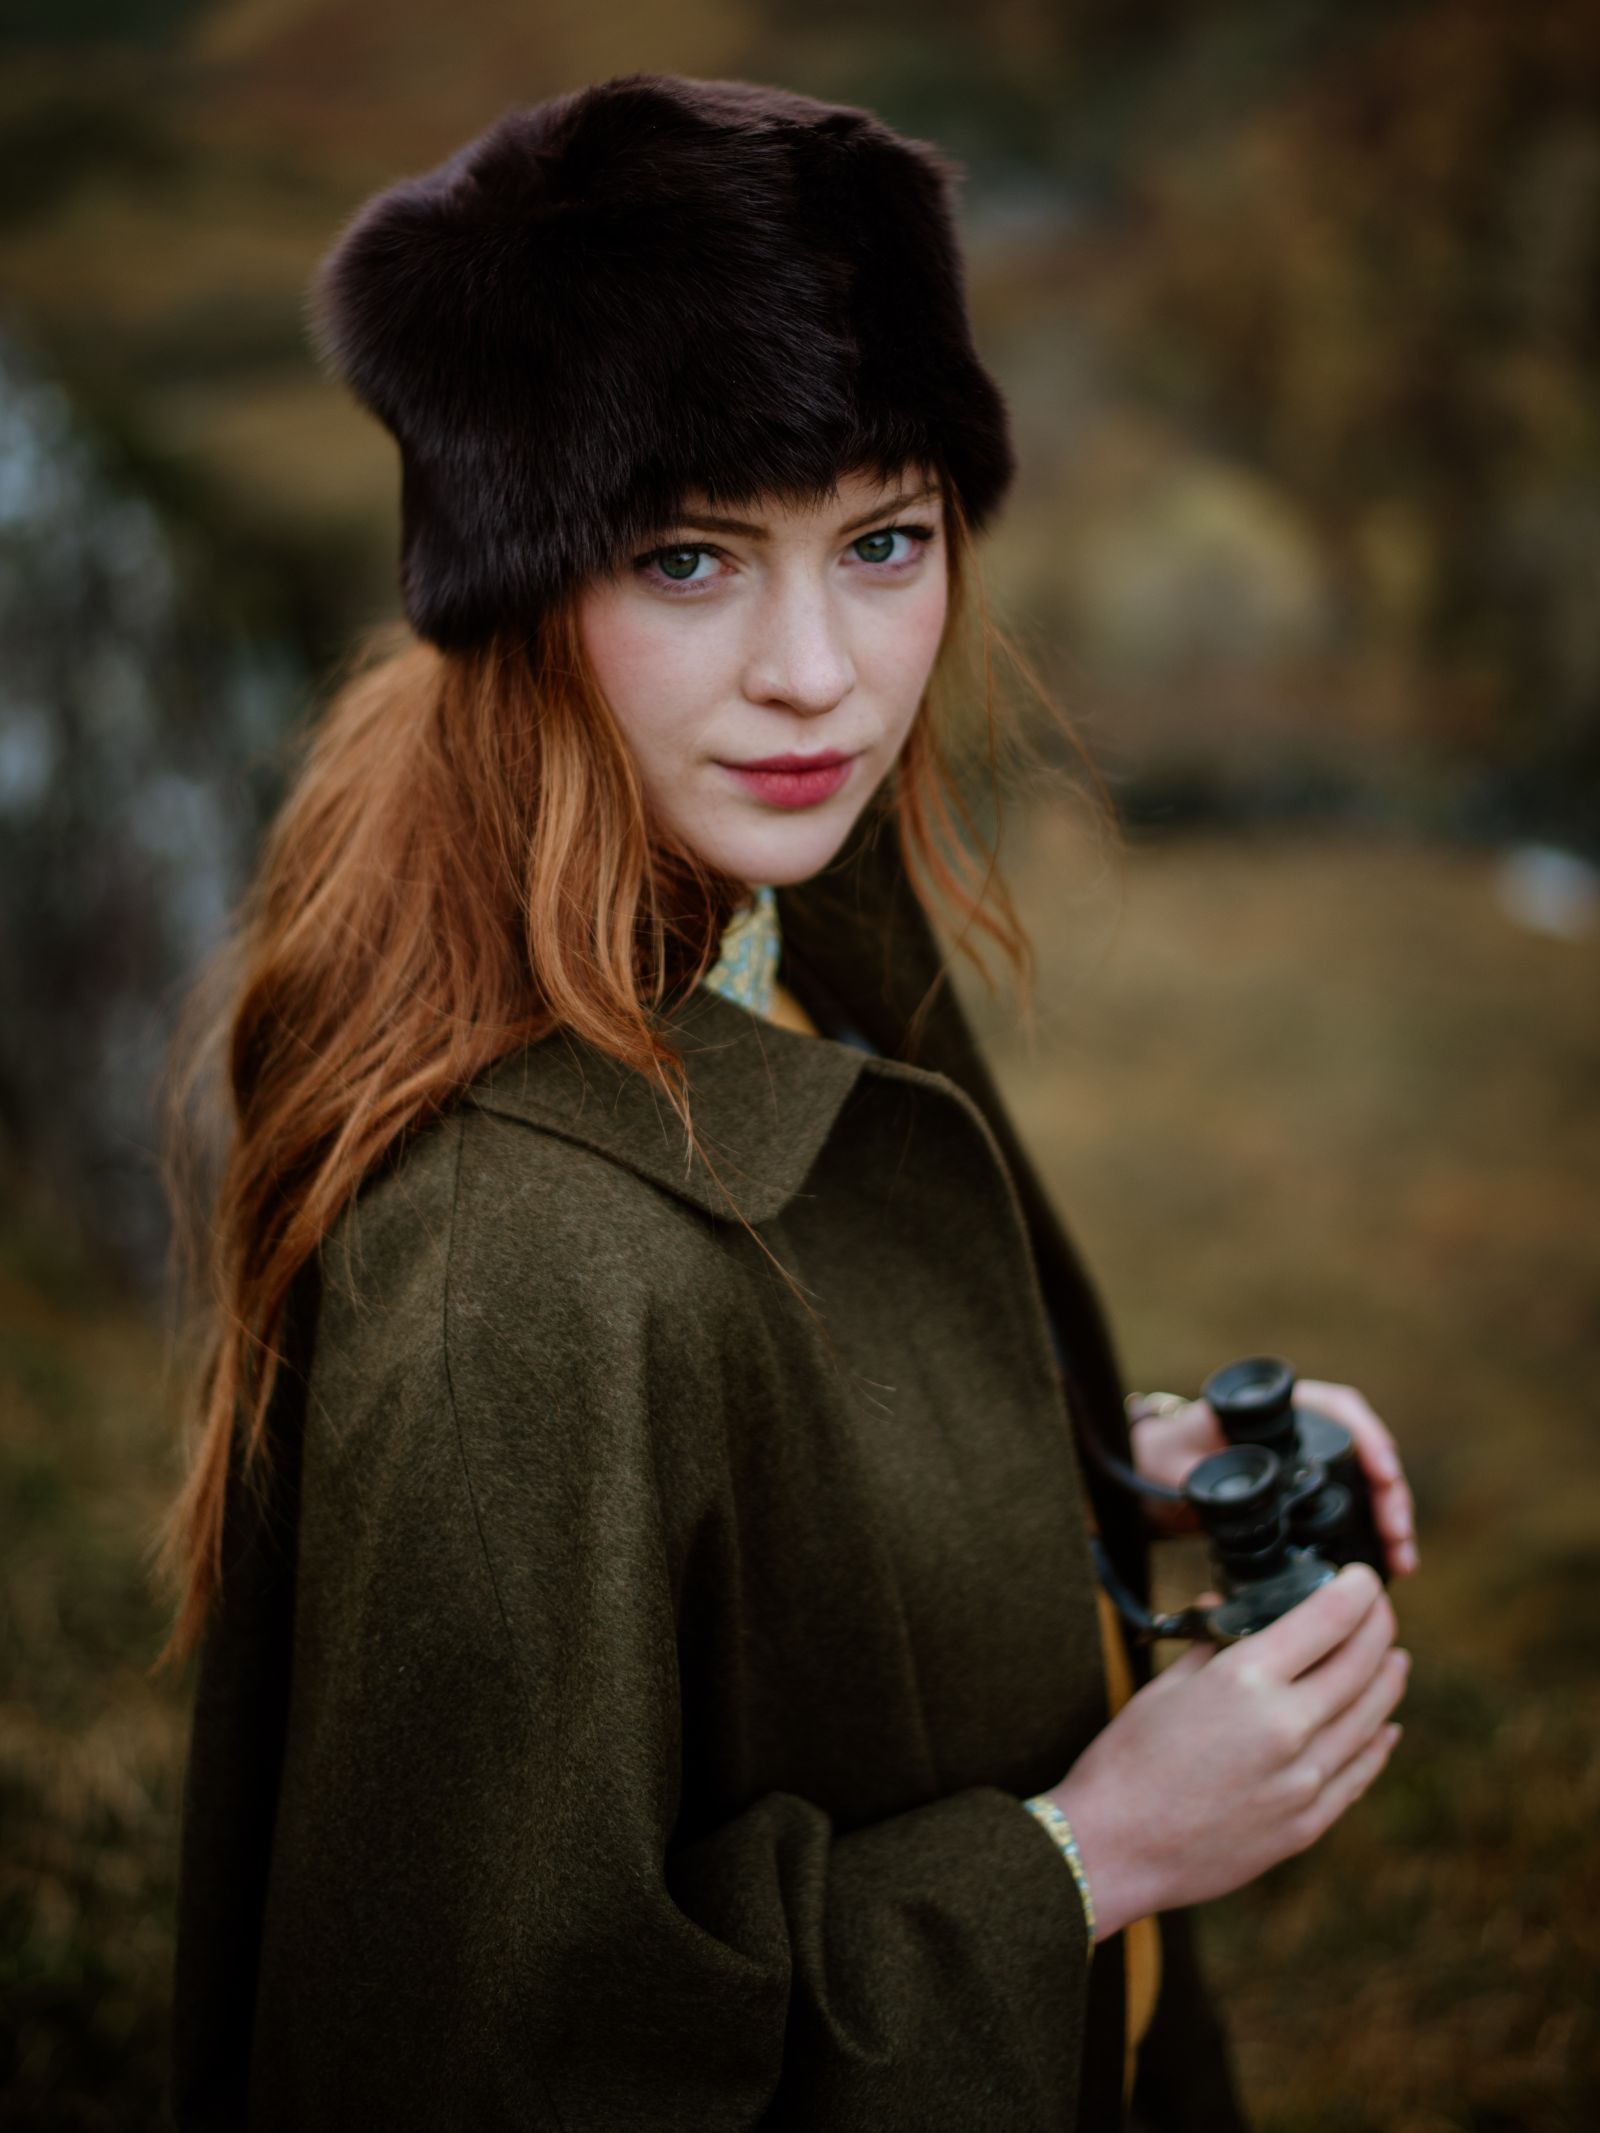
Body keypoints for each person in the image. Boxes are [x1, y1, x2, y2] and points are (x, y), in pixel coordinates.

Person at [153, 72, 1419, 2132]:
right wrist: (1086, 1855)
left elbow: (764, 1554)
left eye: (884, 538)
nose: (819, 671)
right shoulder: (504, 1264)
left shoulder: (776, 908)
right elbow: (480, 2060)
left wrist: (1109, 1473)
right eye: (686, 559)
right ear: (513, 581)